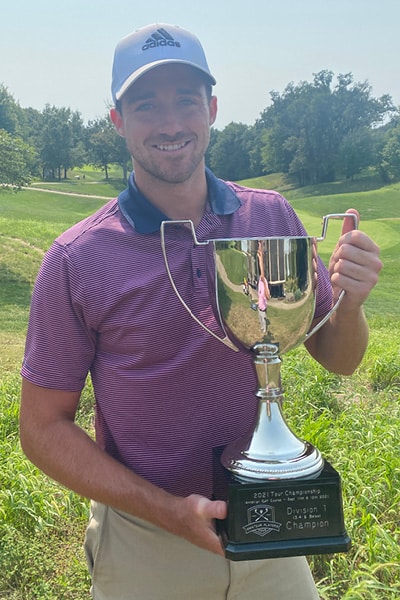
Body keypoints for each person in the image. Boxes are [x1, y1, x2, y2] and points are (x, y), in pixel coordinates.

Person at [19, 23, 382, 600]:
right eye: (146, 105)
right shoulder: (77, 257)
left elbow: (339, 359)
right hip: (147, 542)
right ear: (117, 121)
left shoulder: (271, 217)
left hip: (269, 528)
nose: (170, 123)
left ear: (211, 109)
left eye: (186, 101)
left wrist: (352, 304)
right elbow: (40, 428)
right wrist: (167, 512)